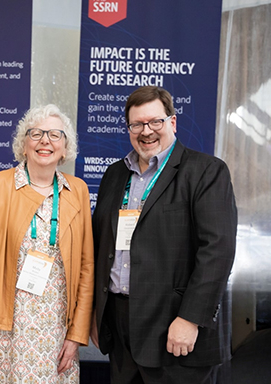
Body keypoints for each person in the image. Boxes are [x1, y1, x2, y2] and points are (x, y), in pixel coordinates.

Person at [91, 86, 237, 384]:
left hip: (175, 327)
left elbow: (217, 251)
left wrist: (190, 319)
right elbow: (101, 246)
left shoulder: (206, 172)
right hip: (120, 326)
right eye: (137, 124)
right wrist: (98, 314)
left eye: (155, 122)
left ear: (172, 122)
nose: (146, 131)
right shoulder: (115, 175)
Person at [0, 104, 94, 383]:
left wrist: (76, 336)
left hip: (56, 336)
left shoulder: (78, 191)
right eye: (36, 133)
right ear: (23, 145)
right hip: (1, 333)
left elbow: (86, 268)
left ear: (65, 147)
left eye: (55, 135)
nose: (45, 141)